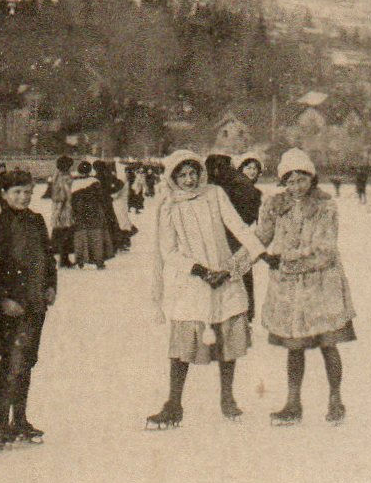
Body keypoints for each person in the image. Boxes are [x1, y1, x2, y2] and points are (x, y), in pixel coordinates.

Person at [147, 150, 265, 427]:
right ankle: (174, 404)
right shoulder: (169, 205)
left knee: (227, 341)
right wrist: (199, 270)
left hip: (224, 276)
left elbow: (237, 226)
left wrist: (256, 253)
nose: (189, 180)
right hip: (192, 281)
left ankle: (227, 399)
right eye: (182, 175)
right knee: (184, 345)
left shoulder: (214, 194)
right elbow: (169, 250)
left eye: (193, 174)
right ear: (173, 177)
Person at [254, 148, 357, 425]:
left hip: (322, 285)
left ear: (312, 179)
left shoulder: (325, 206)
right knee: (294, 346)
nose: (296, 187)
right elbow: (259, 239)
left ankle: (335, 399)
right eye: (290, 181)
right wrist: (237, 262)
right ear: (283, 183)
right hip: (290, 289)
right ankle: (293, 402)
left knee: (328, 344)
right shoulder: (276, 206)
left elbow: (325, 250)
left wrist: (284, 260)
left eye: (302, 180)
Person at [0, 169, 56, 444]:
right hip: (12, 308)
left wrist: (50, 285)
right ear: (3, 194)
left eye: (27, 192)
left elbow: (48, 256)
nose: (23, 197)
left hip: (36, 304)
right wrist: (2, 299)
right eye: (16, 192)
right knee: (12, 362)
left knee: (28, 361)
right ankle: (1, 423)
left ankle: (20, 420)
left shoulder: (36, 221)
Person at [217, 152, 266, 319]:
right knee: (240, 274)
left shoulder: (255, 191)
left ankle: (245, 315)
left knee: (242, 274)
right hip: (235, 236)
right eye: (248, 167)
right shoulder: (236, 189)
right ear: (240, 169)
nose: (251, 171)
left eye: (255, 168)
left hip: (243, 236)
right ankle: (244, 315)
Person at [69, 160, 113, 269]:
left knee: (81, 235)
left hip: (80, 213)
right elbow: (101, 198)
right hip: (95, 212)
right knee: (96, 235)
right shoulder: (95, 182)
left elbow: (71, 201)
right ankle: (99, 261)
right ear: (90, 170)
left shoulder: (74, 183)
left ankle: (80, 260)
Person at [48, 155, 77, 268]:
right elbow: (64, 194)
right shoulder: (64, 177)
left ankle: (61, 259)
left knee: (59, 234)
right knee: (64, 234)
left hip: (59, 207)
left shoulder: (57, 175)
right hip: (63, 208)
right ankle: (63, 260)